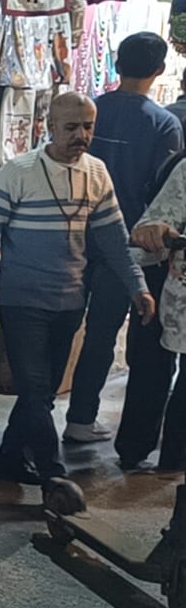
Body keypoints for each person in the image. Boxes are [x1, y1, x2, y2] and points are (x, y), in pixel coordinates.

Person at [0, 93, 155, 489]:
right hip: (21, 300)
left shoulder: (96, 172)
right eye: (71, 127)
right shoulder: (18, 171)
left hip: (69, 300)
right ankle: (53, 476)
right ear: (49, 126)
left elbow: (115, 240)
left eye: (88, 127)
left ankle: (9, 459)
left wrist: (137, 286)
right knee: (34, 388)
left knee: (43, 392)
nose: (81, 135)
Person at [67, 32, 184, 446]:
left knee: (62, 329)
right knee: (104, 332)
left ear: (117, 64)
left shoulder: (88, 111)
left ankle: (39, 420)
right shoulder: (163, 123)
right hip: (128, 245)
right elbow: (163, 193)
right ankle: (81, 418)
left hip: (74, 234)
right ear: (160, 70)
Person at [116, 156, 186, 471]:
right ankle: (142, 449)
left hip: (167, 284)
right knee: (151, 365)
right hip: (168, 285)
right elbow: (147, 231)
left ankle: (170, 458)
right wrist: (156, 232)